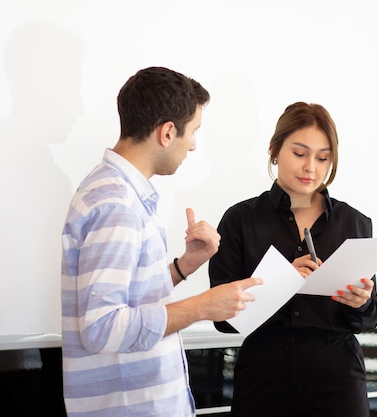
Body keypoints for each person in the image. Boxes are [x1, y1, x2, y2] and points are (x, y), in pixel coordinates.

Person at [61, 66, 262, 417]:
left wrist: (184, 267)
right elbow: (102, 328)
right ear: (168, 132)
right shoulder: (117, 204)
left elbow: (126, 296)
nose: (195, 145)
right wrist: (203, 306)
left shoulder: (118, 194)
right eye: (193, 132)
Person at [209, 102, 377, 417]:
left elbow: (368, 318)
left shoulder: (354, 223)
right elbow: (223, 320)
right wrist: (279, 281)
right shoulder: (240, 219)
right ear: (275, 150)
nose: (310, 167)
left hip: (337, 378)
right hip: (264, 377)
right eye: (300, 154)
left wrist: (362, 302)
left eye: (322, 157)